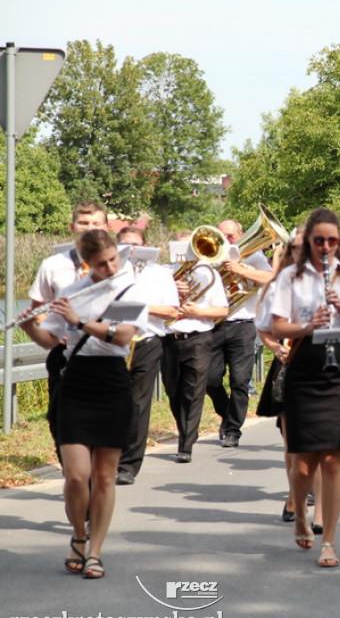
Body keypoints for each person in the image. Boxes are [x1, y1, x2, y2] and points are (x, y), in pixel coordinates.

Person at [21, 229, 148, 579]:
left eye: (113, 259)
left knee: (104, 476)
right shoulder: (72, 292)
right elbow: (50, 341)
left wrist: (78, 321)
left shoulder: (130, 288)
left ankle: (95, 551)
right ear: (87, 263)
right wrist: (30, 324)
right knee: (77, 476)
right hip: (76, 381)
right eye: (101, 263)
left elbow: (122, 335)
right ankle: (79, 535)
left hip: (111, 380)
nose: (110, 267)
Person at [270, 208, 340, 568]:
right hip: (305, 369)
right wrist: (306, 326)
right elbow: (277, 327)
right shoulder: (290, 278)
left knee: (333, 461)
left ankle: (329, 539)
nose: (326, 247)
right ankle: (299, 510)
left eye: (333, 240)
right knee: (302, 464)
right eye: (319, 240)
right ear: (310, 242)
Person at [27, 201, 109, 455]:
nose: (89, 228)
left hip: (104, 353)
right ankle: (74, 470)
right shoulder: (52, 265)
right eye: (84, 223)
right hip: (64, 353)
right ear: (72, 227)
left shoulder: (119, 264)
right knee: (60, 417)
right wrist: (52, 333)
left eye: (96, 223)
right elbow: (36, 309)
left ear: (106, 228)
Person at [114, 228, 180, 485]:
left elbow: (172, 311)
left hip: (147, 341)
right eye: (125, 245)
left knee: (138, 403)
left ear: (145, 247)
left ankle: (129, 464)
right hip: (113, 341)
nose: (131, 250)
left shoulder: (161, 273)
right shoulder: (108, 271)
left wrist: (141, 308)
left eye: (136, 245)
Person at [206, 219, 274, 448]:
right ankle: (227, 414)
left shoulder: (253, 256)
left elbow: (270, 278)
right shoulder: (209, 254)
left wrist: (240, 269)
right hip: (214, 324)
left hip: (243, 326)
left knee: (240, 380)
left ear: (242, 236)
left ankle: (233, 430)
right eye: (222, 236)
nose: (226, 241)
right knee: (209, 379)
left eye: (231, 236)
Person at [162, 243, 229, 464]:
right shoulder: (165, 273)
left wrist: (197, 312)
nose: (184, 252)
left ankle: (186, 444)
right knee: (173, 391)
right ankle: (187, 430)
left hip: (198, 338)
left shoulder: (208, 274)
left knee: (194, 391)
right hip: (169, 339)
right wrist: (172, 290)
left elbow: (222, 310)